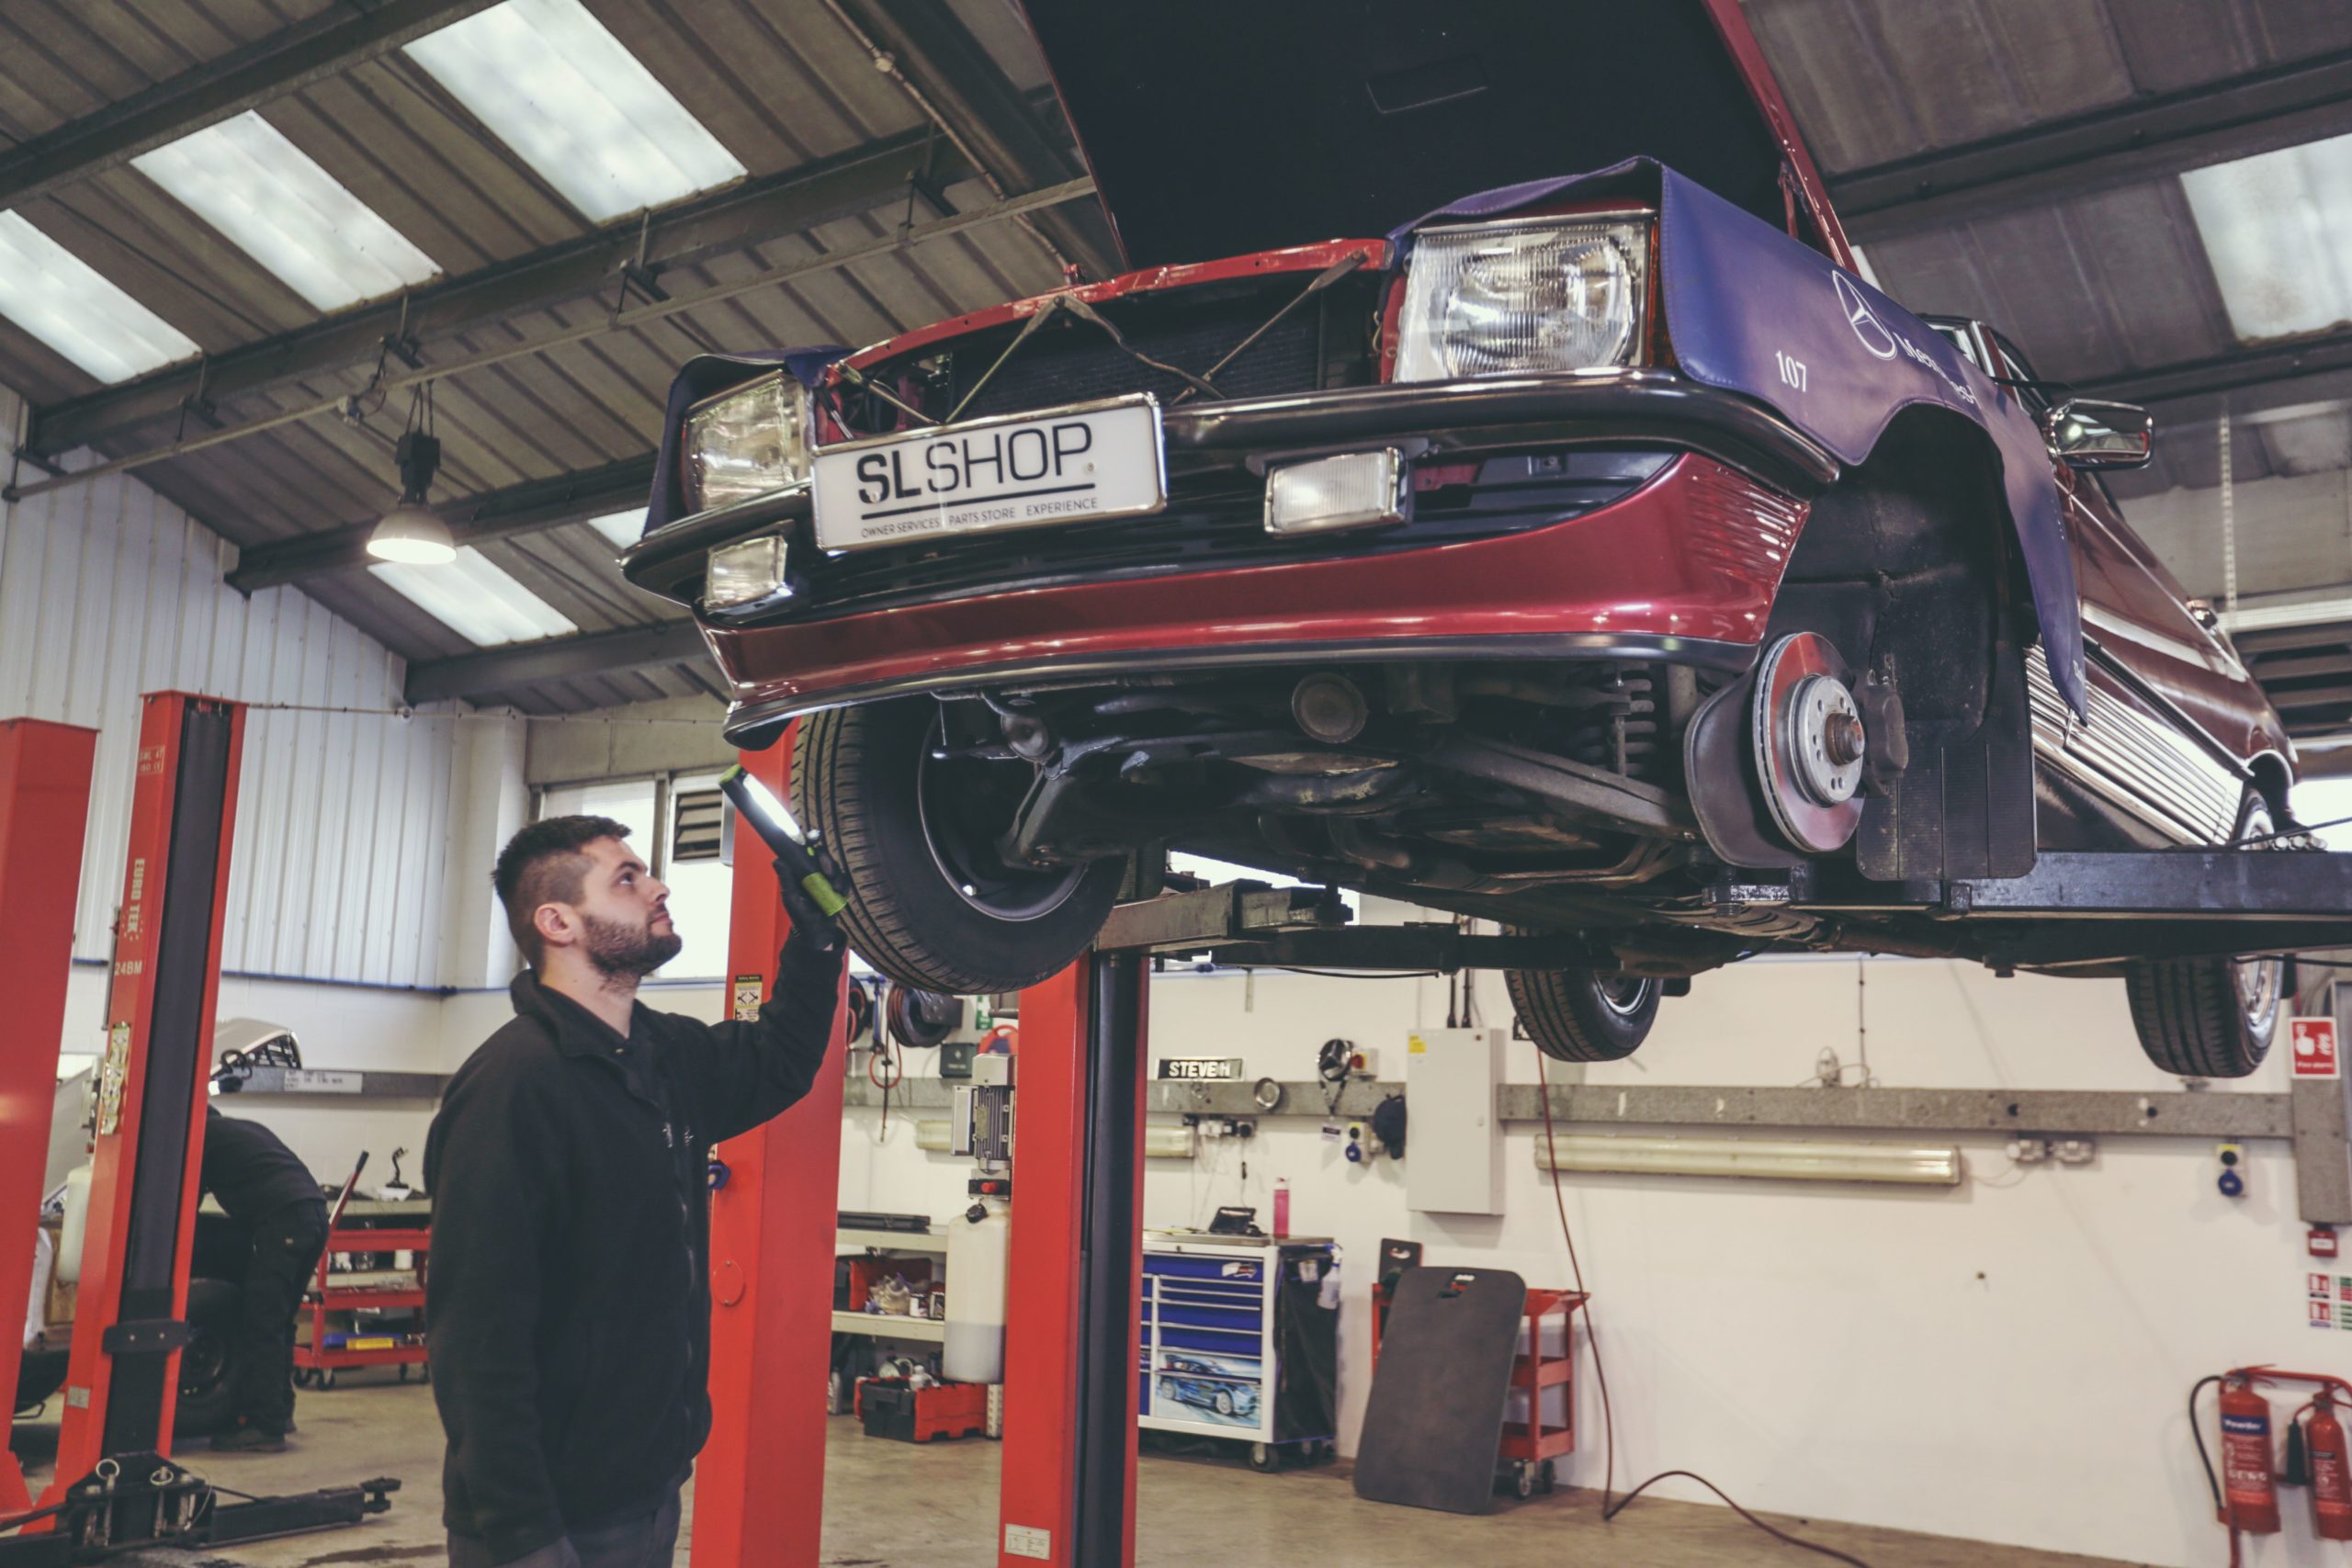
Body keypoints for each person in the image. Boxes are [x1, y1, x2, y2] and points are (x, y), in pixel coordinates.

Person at [426, 815, 842, 1568]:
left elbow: (779, 1059)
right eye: (626, 878)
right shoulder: (514, 1087)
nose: (658, 885)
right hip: (547, 1517)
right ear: (558, 921)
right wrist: (522, 1531)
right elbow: (476, 1332)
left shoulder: (662, 1054)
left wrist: (815, 942)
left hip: (644, 1493)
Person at [199, 1105, 330, 1453]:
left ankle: (265, 1426)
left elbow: (182, 1202)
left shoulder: (201, 1137)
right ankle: (280, 1411)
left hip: (285, 1221)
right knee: (280, 1320)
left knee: (262, 1321)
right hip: (312, 1218)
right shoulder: (239, 1129)